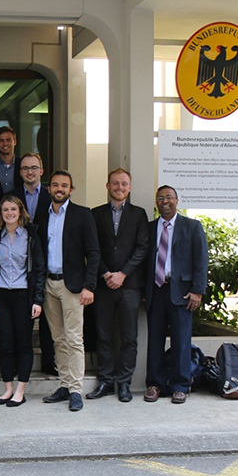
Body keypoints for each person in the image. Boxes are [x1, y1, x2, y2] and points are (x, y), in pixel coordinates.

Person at [86, 168, 149, 403]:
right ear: (107, 186)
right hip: (103, 286)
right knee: (103, 336)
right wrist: (105, 274)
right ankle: (105, 381)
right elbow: (92, 249)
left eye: (124, 184)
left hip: (130, 286)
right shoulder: (96, 214)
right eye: (115, 183)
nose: (119, 187)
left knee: (129, 337)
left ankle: (123, 383)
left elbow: (142, 248)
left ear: (129, 188)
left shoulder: (139, 214)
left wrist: (123, 274)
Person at [40, 171, 100, 412]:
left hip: (73, 285)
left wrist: (89, 286)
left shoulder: (82, 215)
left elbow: (93, 253)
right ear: (49, 189)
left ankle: (76, 389)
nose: (59, 189)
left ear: (71, 189)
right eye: (55, 185)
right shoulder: (42, 216)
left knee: (75, 339)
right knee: (58, 339)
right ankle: (64, 385)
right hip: (48, 284)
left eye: (64, 185)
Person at [144, 185, 208, 405]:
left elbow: (201, 261)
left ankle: (180, 386)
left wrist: (198, 290)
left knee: (182, 340)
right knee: (154, 340)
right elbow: (145, 262)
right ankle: (155, 384)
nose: (165, 201)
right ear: (156, 202)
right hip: (156, 290)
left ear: (177, 200)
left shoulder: (192, 227)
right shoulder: (150, 228)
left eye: (169, 197)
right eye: (160, 198)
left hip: (182, 292)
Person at [0, 195, 46, 407]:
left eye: (13, 209)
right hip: (2, 295)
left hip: (24, 295)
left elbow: (39, 269)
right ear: (0, 214)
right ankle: (8, 389)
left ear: (20, 212)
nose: (9, 213)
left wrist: (38, 299)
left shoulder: (31, 237)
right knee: (5, 344)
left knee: (23, 343)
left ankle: (20, 390)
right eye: (5, 210)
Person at [9, 152, 54, 375]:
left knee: (47, 315)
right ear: (20, 172)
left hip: (49, 259)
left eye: (34, 168)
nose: (30, 172)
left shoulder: (51, 196)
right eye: (26, 168)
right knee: (21, 316)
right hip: (19, 264)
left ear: (41, 171)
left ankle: (49, 362)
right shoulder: (11, 196)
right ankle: (18, 363)